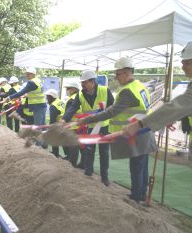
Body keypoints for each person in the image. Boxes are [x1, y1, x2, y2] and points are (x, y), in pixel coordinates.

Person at [123, 41, 192, 233]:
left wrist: (141, 124)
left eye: (186, 62)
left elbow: (178, 105)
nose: (182, 66)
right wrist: (173, 117)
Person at [76, 58, 157, 199]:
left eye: (117, 74)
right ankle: (142, 193)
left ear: (126, 72)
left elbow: (111, 112)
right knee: (142, 165)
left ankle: (136, 195)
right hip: (144, 130)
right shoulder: (139, 86)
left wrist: (86, 119)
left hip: (136, 132)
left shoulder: (127, 91)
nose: (116, 77)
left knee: (136, 166)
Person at [61, 70, 114, 186]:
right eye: (81, 83)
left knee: (104, 153)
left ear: (92, 82)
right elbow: (73, 108)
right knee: (89, 151)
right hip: (90, 127)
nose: (82, 85)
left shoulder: (105, 91)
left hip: (103, 127)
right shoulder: (80, 94)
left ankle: (104, 177)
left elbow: (113, 107)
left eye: (84, 82)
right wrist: (64, 119)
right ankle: (88, 173)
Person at [62, 80, 85, 168]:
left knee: (73, 146)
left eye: (68, 88)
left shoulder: (72, 98)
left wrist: (64, 122)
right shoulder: (80, 96)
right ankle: (83, 163)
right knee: (82, 145)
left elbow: (69, 112)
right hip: (81, 124)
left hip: (73, 125)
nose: (67, 90)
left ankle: (72, 163)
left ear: (74, 89)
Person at [44, 89, 65, 158]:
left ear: (51, 97)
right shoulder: (59, 101)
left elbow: (52, 119)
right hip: (65, 122)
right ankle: (56, 153)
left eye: (47, 97)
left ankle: (56, 154)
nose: (46, 98)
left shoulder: (53, 106)